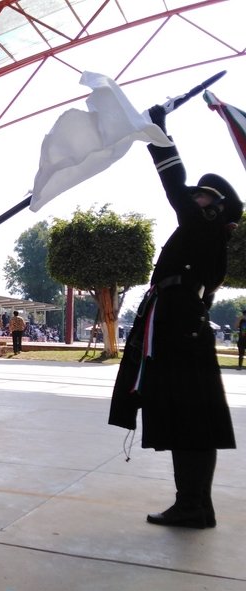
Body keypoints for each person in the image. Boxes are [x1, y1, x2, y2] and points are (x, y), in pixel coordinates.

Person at [109, 104, 241, 529]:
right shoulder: (203, 231)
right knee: (190, 418)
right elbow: (180, 192)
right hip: (180, 325)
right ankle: (194, 504)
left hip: (181, 328)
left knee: (191, 418)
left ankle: (193, 505)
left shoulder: (204, 227)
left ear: (216, 208)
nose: (193, 197)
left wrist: (159, 132)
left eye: (203, 195)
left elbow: (173, 184)